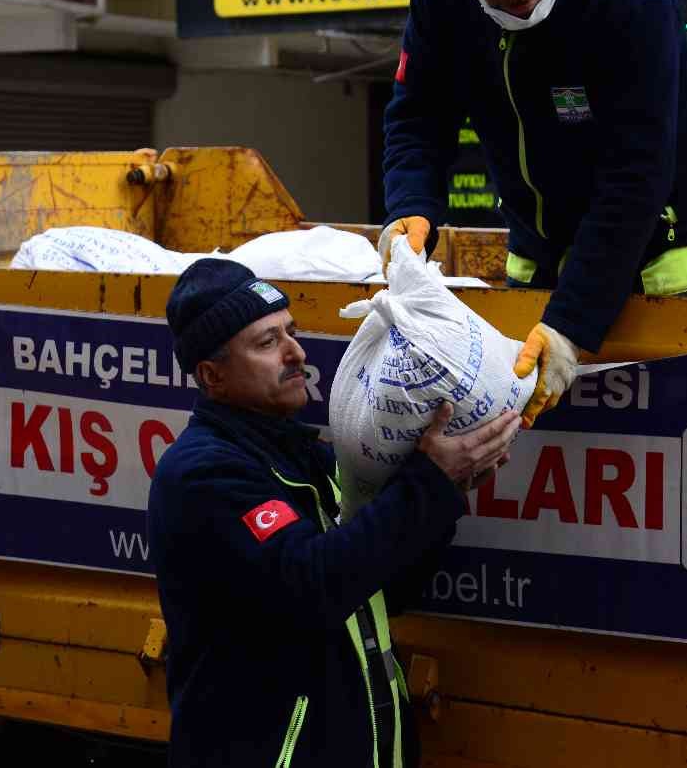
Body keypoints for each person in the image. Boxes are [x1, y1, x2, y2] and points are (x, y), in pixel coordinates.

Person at [380, 0, 687, 421]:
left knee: (660, 448)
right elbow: (418, 115)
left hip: (666, 258)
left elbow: (636, 175)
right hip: (537, 250)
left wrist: (571, 322)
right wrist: (411, 206)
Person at [147, 258, 519, 768]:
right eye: (266, 342)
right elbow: (311, 584)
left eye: (290, 332)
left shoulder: (314, 460)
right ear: (213, 376)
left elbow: (386, 588)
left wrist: (448, 493)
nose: (295, 352)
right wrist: (429, 485)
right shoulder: (202, 475)